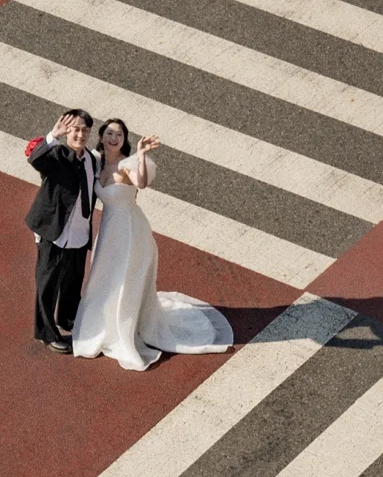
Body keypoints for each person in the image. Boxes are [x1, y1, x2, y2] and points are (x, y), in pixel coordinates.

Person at [70, 118, 233, 371]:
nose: (114, 138)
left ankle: (124, 329)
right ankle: (100, 327)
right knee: (103, 278)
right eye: (110, 133)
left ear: (125, 139)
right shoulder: (97, 160)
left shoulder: (128, 164)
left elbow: (141, 183)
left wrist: (141, 154)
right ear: (101, 136)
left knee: (125, 279)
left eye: (119, 135)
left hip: (130, 230)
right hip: (109, 231)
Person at [24, 109, 96, 354]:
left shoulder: (91, 159)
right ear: (67, 131)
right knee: (47, 284)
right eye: (75, 129)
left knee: (73, 280)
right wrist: (52, 136)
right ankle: (46, 333)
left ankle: (67, 318)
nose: (80, 135)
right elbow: (35, 159)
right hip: (54, 231)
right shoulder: (55, 154)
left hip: (79, 232)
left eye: (85, 130)